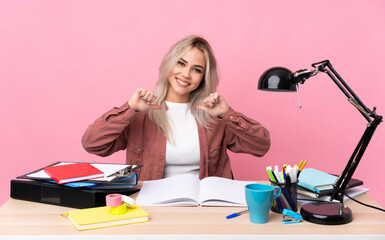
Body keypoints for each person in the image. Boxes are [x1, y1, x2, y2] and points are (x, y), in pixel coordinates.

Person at [82, 35, 270, 180]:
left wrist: (227, 114)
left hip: (206, 208)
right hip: (152, 207)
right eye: (181, 63)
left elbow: (261, 146)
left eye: (197, 70)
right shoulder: (141, 114)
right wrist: (131, 109)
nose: (186, 74)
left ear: (204, 78)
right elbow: (93, 144)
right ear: (169, 64)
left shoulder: (213, 116)